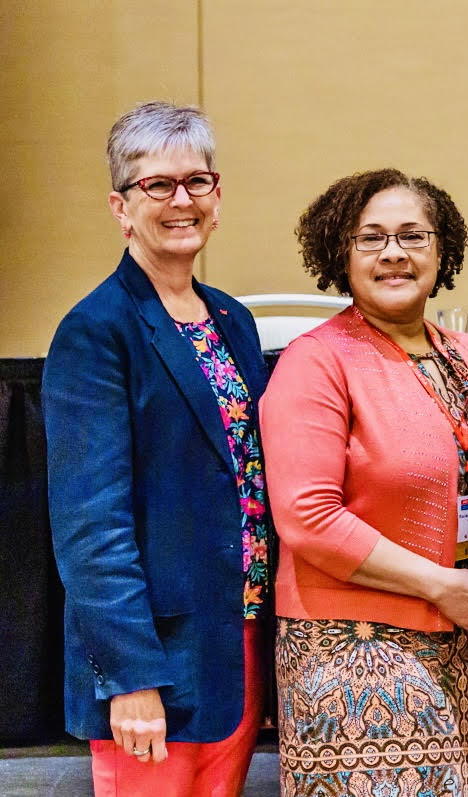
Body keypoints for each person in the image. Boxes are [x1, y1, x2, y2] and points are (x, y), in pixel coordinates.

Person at [259, 168, 468, 797]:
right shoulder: (316, 361)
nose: (394, 254)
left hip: (458, 644)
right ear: (339, 254)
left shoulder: (467, 354)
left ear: (441, 249)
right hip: (351, 658)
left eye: (412, 236)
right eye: (371, 238)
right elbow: (308, 518)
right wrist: (441, 585)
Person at [41, 101, 270, 796]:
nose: (182, 200)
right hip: (155, 660)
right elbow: (90, 527)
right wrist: (131, 675)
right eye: (158, 185)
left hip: (238, 640)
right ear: (120, 204)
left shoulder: (233, 319)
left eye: (197, 182)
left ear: (218, 196)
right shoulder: (97, 330)